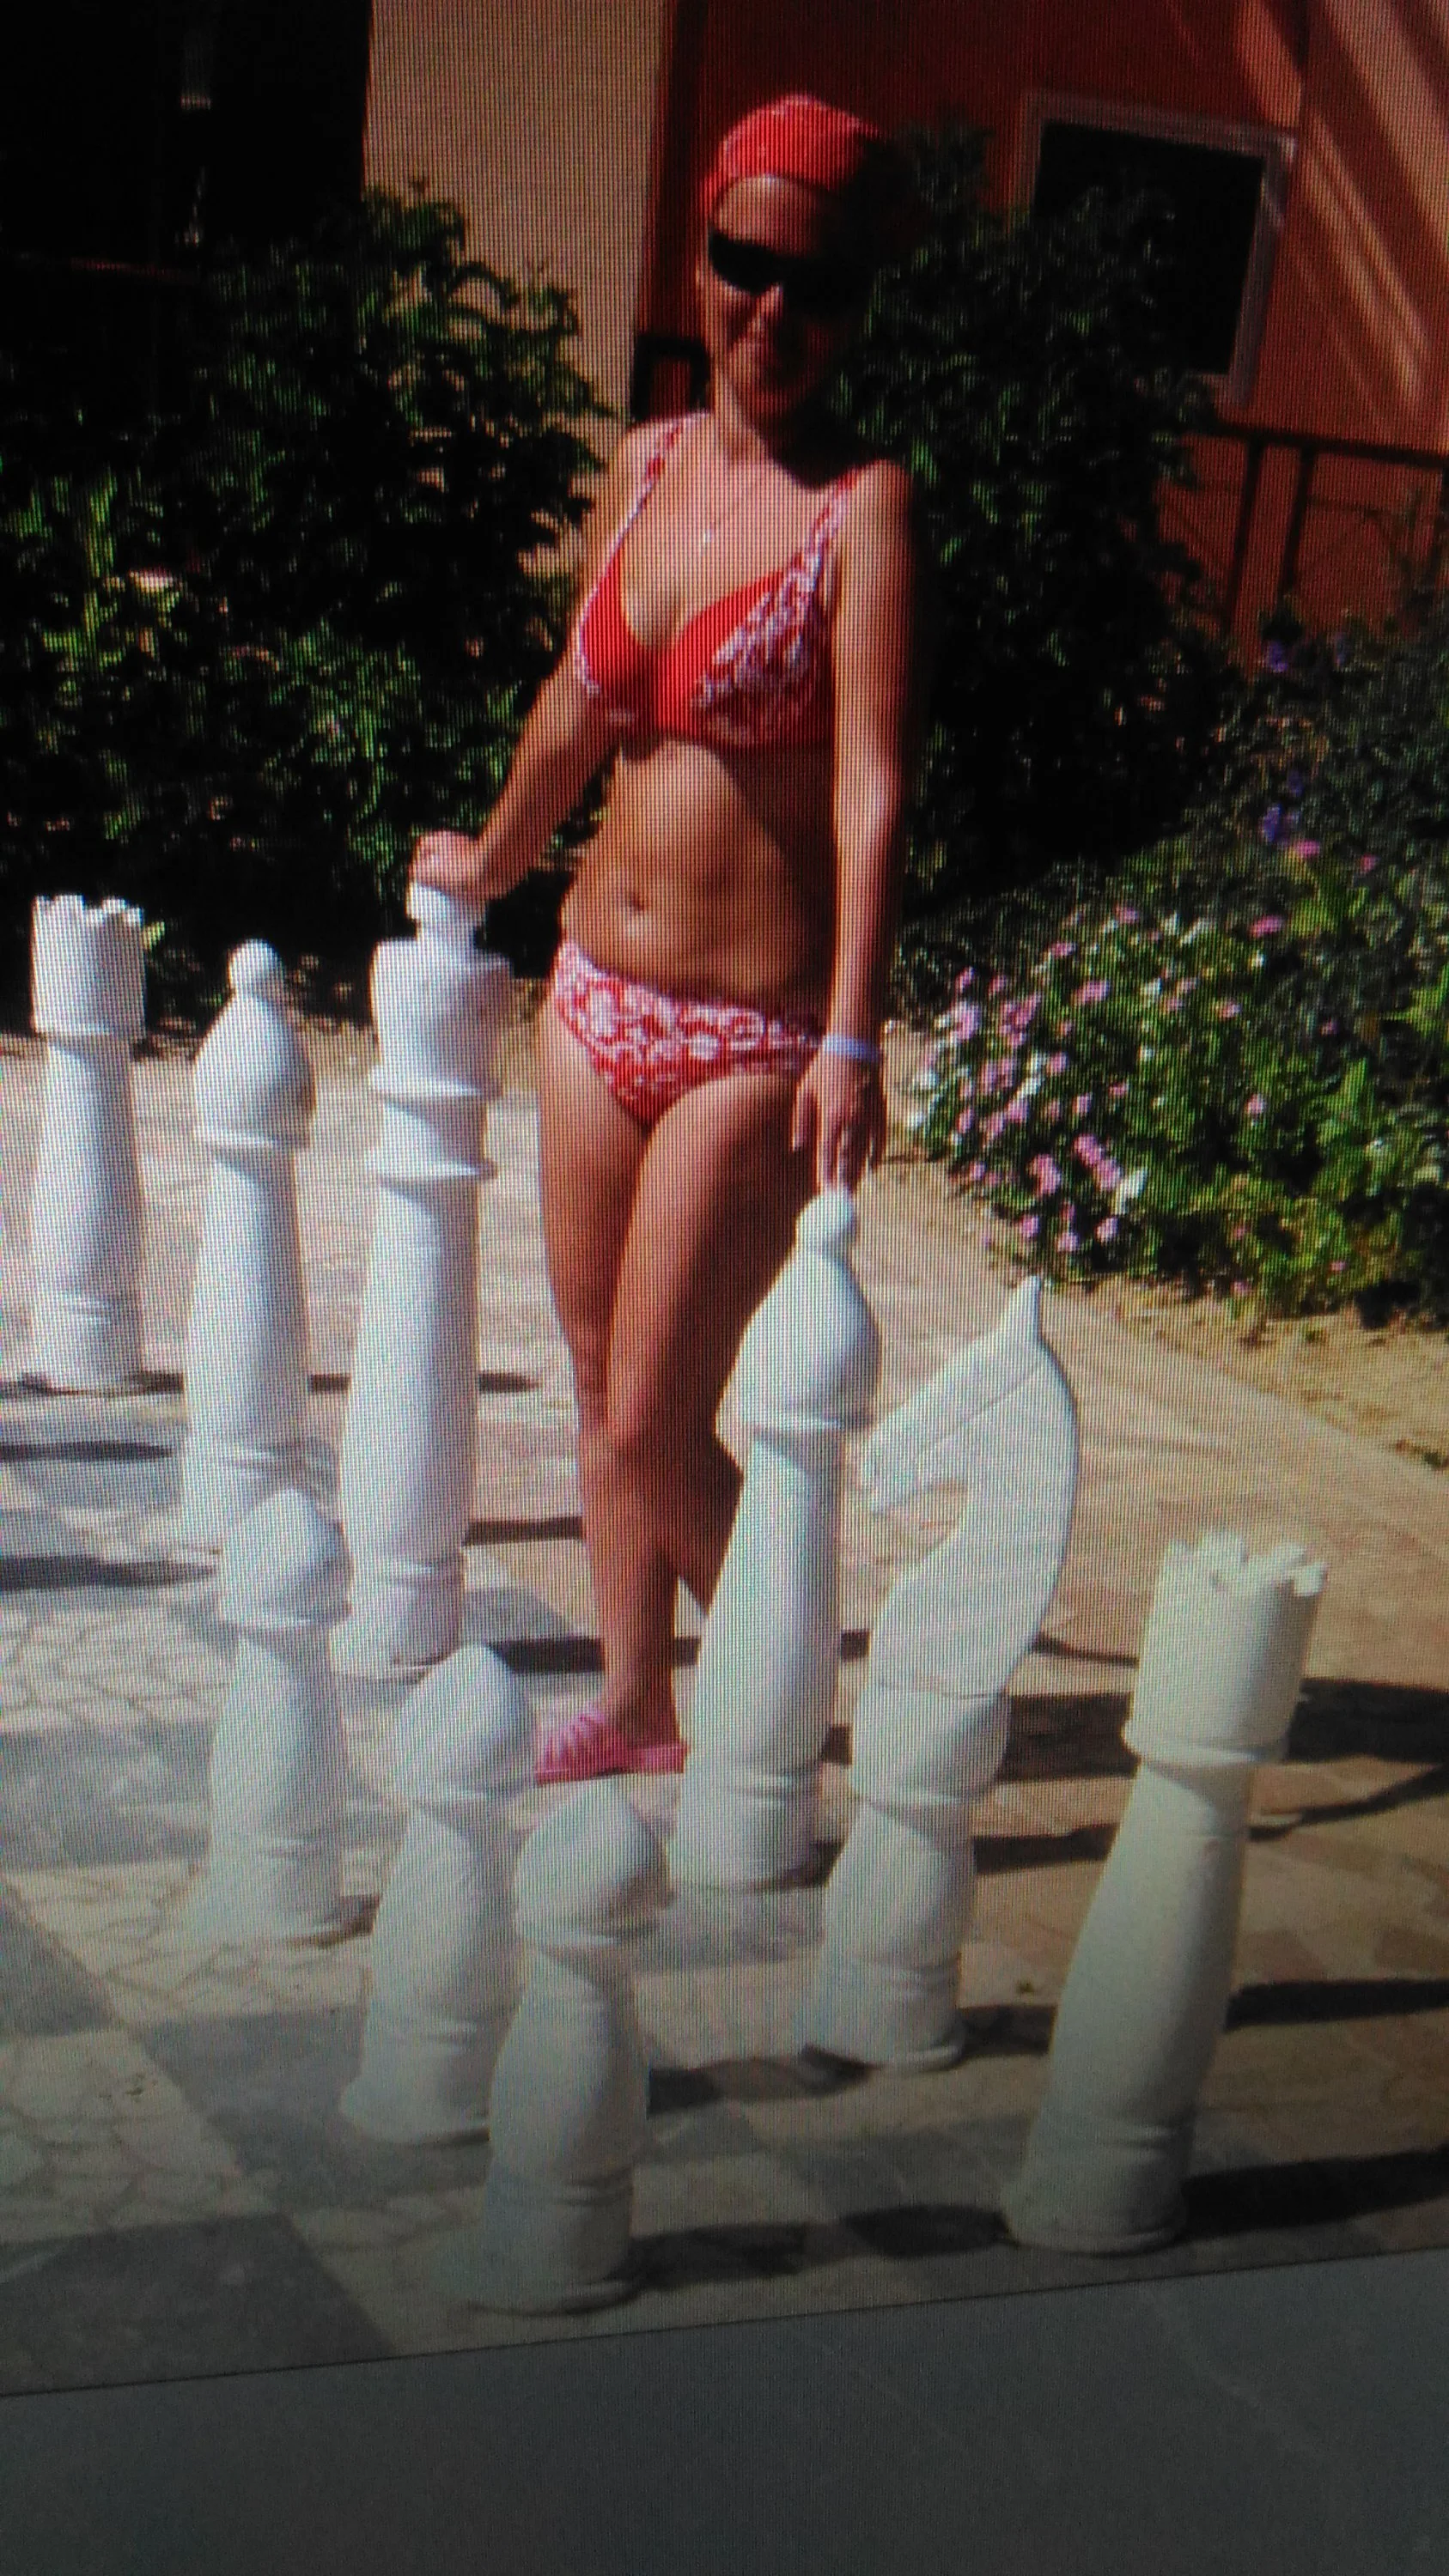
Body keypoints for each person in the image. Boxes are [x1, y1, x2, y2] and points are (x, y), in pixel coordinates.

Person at [411, 92, 933, 1783]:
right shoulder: (638, 467)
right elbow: (580, 701)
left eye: (818, 286)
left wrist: (851, 1033)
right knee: (594, 1385)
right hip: (593, 997)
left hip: (748, 1040)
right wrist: (495, 853)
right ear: (700, 261)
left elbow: (869, 786)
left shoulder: (864, 509)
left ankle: (797, 1715)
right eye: (746, 265)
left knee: (650, 1414)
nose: (775, 309)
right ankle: (640, 1702)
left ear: (855, 307)